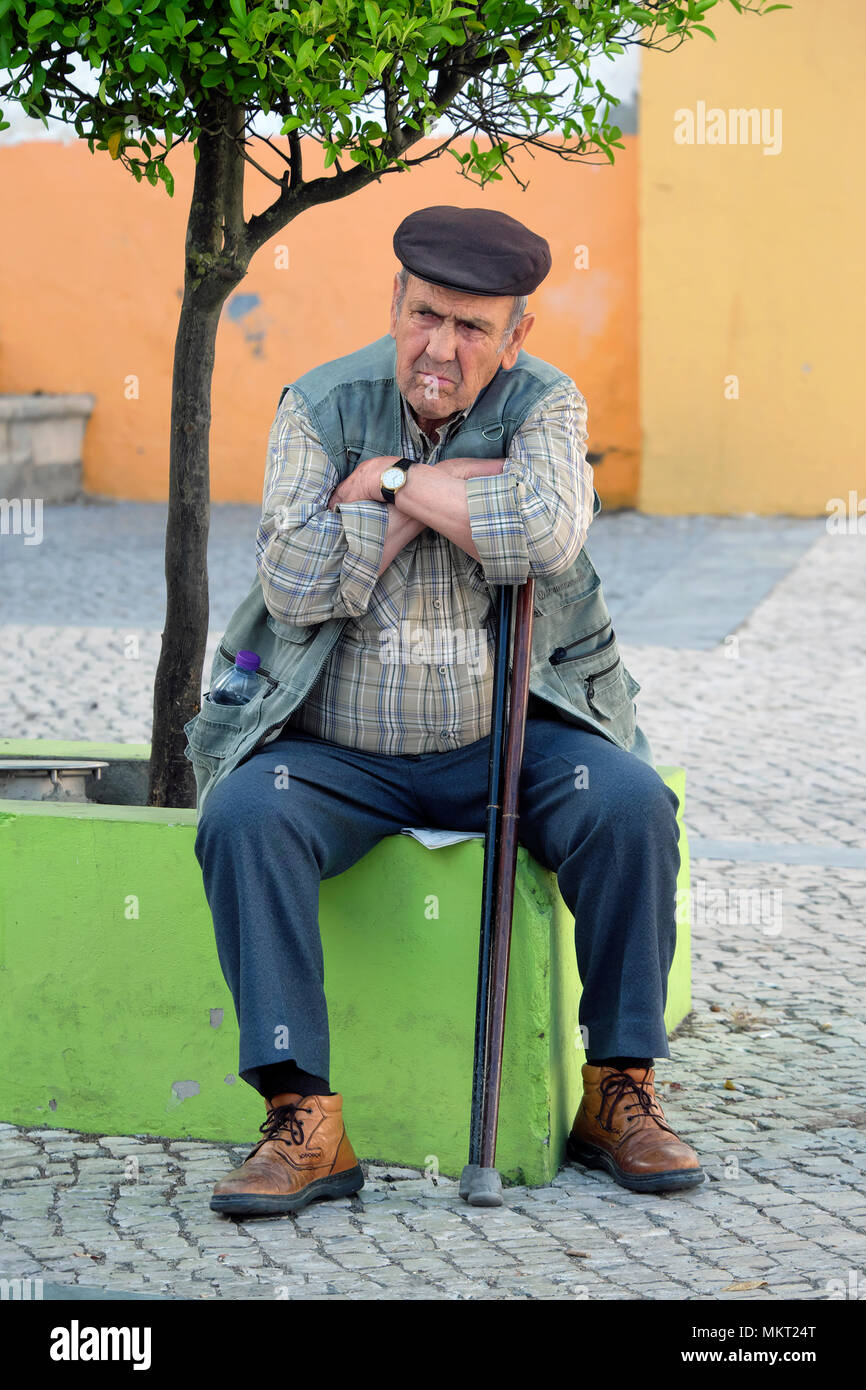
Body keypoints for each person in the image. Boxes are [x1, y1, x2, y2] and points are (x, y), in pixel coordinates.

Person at [192, 204, 704, 1217]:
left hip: (506, 738)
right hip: (338, 750)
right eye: (424, 315)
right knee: (245, 819)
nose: (439, 346)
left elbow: (540, 538)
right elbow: (294, 587)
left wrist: (377, 487)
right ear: (395, 303)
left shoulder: (544, 402)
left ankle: (618, 1091)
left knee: (629, 803)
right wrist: (431, 488)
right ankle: (304, 1118)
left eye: (473, 328)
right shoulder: (319, 404)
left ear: (515, 337)